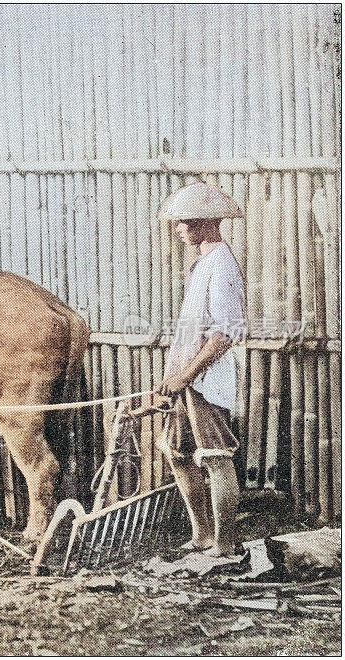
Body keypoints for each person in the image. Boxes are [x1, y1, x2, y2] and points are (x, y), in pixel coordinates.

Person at [155, 181, 246, 557]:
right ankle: (202, 534)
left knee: (215, 457)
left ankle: (223, 544)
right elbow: (192, 331)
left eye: (185, 223)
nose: (178, 230)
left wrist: (186, 376)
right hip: (187, 379)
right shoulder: (202, 264)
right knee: (177, 452)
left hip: (207, 380)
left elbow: (225, 335)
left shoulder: (222, 265)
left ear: (208, 223)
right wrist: (173, 376)